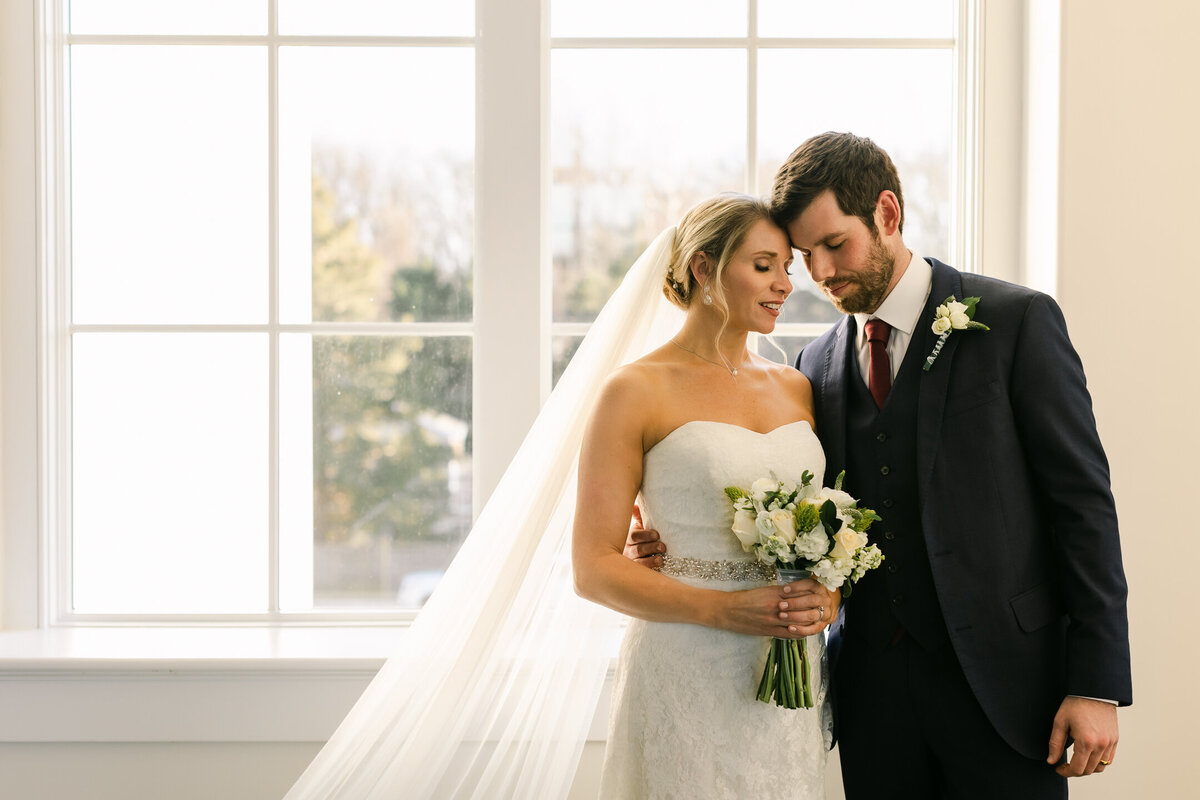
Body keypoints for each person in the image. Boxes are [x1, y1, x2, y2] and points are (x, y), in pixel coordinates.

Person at [626, 133, 1132, 798]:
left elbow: (1083, 508)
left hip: (1007, 693)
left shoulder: (1016, 322)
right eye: (805, 257)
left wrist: (1095, 682)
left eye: (835, 245)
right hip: (871, 701)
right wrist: (662, 533)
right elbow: (789, 507)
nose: (821, 272)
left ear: (887, 215)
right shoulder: (814, 368)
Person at [572, 193, 839, 799]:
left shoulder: (797, 387)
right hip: (685, 661)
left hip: (790, 672)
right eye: (764, 265)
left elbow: (828, 527)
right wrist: (721, 611)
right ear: (702, 267)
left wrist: (829, 592)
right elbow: (592, 569)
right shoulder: (634, 390)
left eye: (787, 268)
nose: (784, 285)